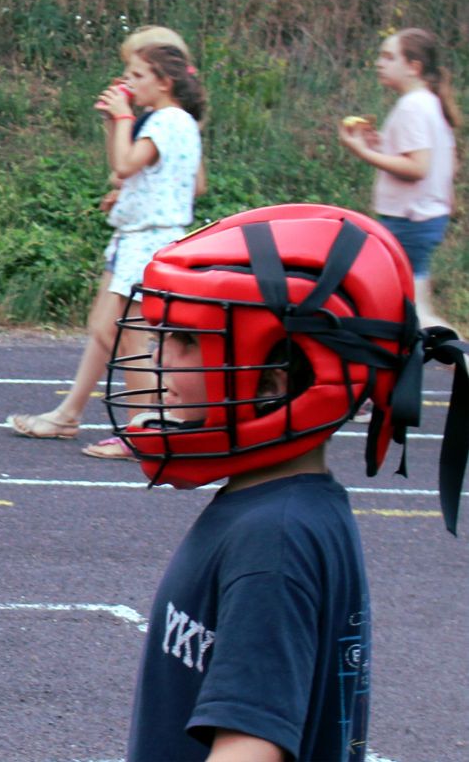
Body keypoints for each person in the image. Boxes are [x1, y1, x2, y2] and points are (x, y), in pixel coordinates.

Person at [101, 202, 461, 761]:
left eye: (187, 341)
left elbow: (251, 748)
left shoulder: (275, 540)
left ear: (273, 376)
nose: (160, 363)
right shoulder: (287, 510)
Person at [8, 34, 204, 459]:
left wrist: (121, 117)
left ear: (164, 80)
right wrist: (117, 130)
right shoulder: (176, 121)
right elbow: (138, 176)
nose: (129, 82)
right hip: (138, 236)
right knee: (104, 330)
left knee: (129, 338)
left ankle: (144, 432)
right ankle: (69, 413)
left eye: (137, 74)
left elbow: (123, 164)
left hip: (149, 240)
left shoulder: (168, 120)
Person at [338, 27, 458, 329]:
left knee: (414, 314)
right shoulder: (426, 102)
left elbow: (418, 168)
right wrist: (381, 148)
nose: (380, 63)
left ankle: (459, 362)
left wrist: (361, 152)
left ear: (413, 67)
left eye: (389, 57)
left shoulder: (413, 106)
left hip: (410, 221)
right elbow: (432, 161)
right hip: (424, 218)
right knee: (414, 307)